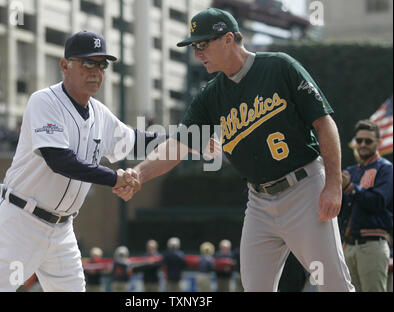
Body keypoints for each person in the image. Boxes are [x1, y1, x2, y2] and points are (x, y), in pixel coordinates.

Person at [114, 8, 355, 292]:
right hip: (259, 203)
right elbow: (178, 145)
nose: (197, 53)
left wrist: (333, 184)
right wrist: (139, 173)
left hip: (304, 190)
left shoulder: (279, 67)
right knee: (255, 287)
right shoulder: (210, 96)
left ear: (228, 39)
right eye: (194, 46)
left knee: (332, 284)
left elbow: (324, 123)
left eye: (203, 44)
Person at [0, 30, 159, 292]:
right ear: (65, 65)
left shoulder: (100, 114)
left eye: (101, 64)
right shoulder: (44, 101)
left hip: (62, 229)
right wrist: (115, 178)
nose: (96, 71)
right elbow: (60, 160)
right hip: (21, 221)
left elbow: (138, 140)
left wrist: (187, 140)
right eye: (88, 63)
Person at [339, 119, 393, 292]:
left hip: (373, 244)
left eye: (368, 141)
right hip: (348, 246)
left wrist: (349, 187)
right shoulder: (351, 171)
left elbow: (379, 201)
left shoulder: (386, 169)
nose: (362, 144)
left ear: (378, 143)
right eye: (359, 140)